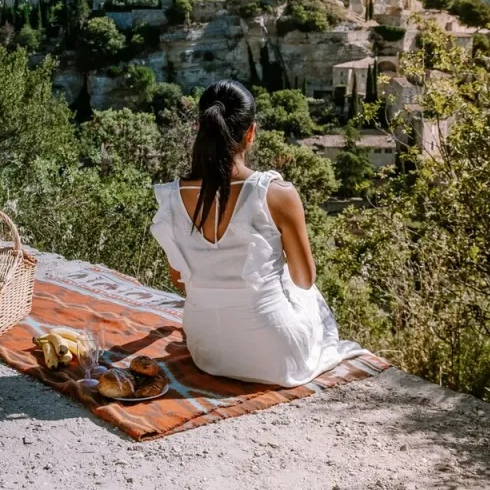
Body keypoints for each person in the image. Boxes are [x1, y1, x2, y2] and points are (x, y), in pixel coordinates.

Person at [151, 79, 367, 387]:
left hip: (207, 352)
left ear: (200, 127)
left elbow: (180, 281)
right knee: (302, 290)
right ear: (250, 132)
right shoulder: (276, 193)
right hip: (277, 359)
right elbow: (305, 279)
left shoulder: (173, 196)